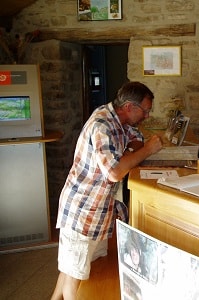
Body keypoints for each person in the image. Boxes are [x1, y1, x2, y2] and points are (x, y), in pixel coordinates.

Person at [51, 81, 163, 300]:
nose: (147, 116)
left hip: (99, 209)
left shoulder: (119, 119)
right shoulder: (102, 125)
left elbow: (136, 139)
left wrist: (131, 152)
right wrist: (148, 150)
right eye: (146, 110)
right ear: (130, 107)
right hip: (82, 210)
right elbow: (114, 172)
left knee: (71, 266)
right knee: (74, 274)